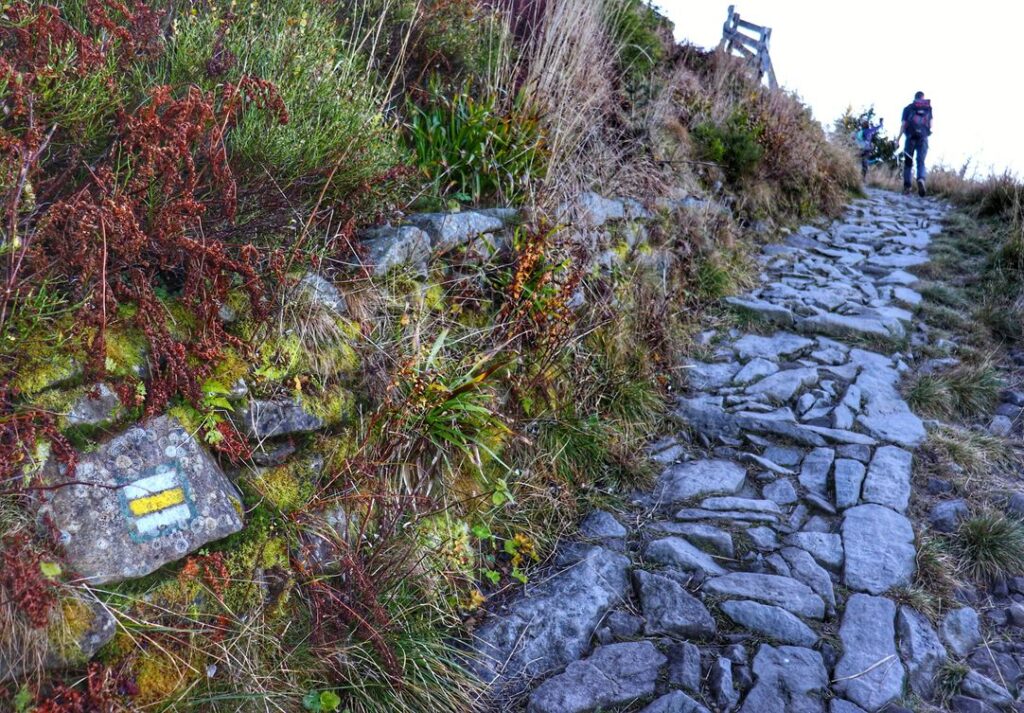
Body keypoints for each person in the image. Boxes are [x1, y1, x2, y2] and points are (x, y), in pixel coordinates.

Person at [897, 91, 933, 196]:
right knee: (921, 161)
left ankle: (907, 187)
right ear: (923, 98)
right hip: (923, 137)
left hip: (910, 137)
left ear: (915, 97)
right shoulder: (928, 108)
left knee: (908, 163)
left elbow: (903, 125)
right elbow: (931, 125)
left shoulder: (908, 108)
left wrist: (898, 139)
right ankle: (921, 179)